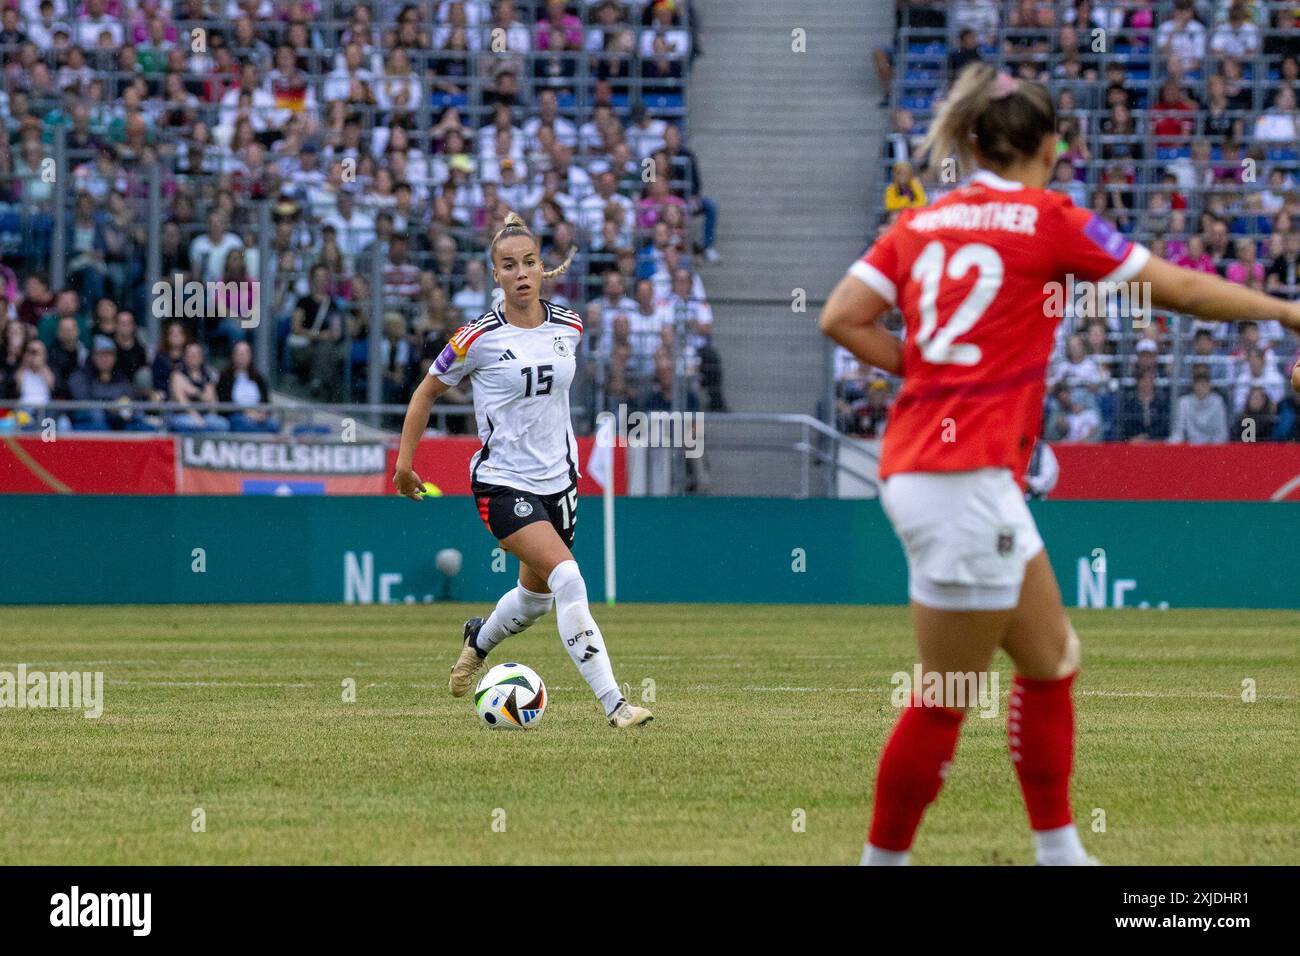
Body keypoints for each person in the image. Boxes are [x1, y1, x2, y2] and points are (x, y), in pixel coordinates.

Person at [819, 62, 1300, 866]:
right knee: (945, 696)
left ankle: (1061, 853)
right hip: (963, 478)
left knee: (1052, 660)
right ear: (1048, 148)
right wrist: (1287, 311)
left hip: (936, 469)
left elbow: (841, 317)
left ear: (972, 143)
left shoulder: (922, 224)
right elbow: (1175, 287)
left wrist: (933, 373)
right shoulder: (1047, 219)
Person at [393, 212, 652, 729]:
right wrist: (404, 464)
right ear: (495, 275)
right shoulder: (475, 338)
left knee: (534, 602)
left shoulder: (570, 326)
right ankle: (615, 705)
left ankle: (478, 639)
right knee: (570, 580)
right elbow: (426, 392)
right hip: (502, 483)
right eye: (508, 265)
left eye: (529, 262)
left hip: (561, 483)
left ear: (542, 267)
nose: (521, 273)